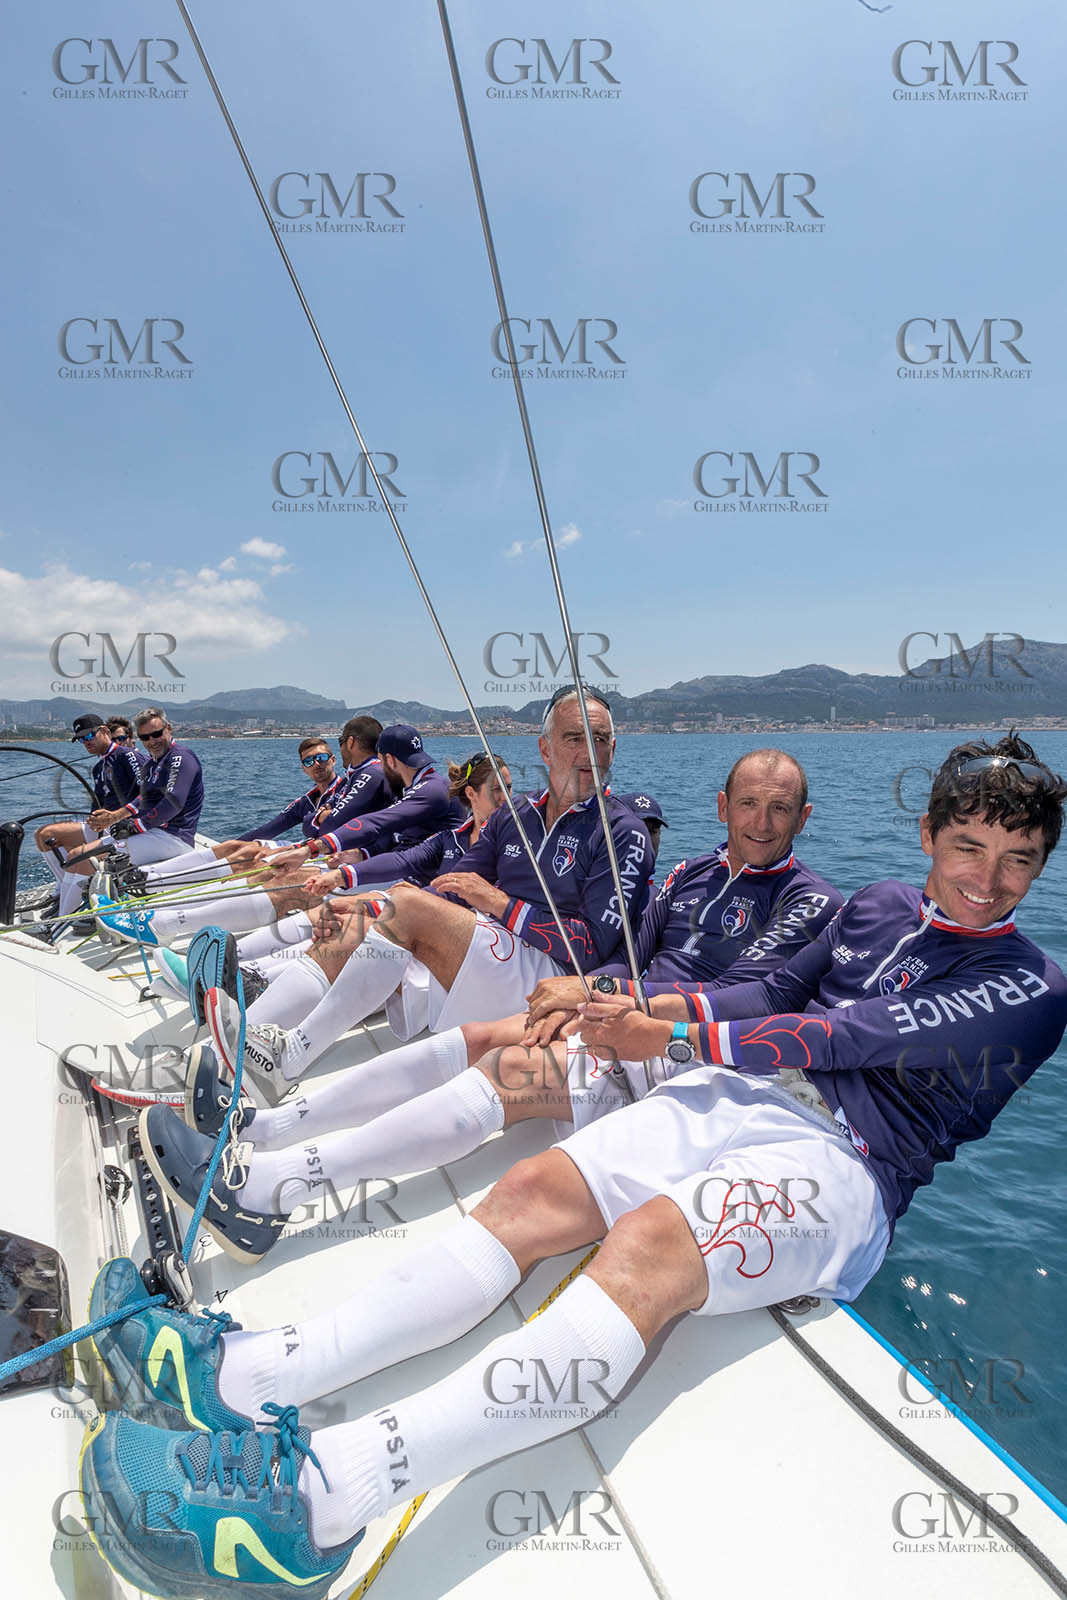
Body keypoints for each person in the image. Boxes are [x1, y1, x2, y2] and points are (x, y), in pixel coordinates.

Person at [82, 732, 1067, 1599]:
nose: (986, 878)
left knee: (647, 1245)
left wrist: (667, 1035)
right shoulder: (878, 905)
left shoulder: (1030, 983)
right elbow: (774, 990)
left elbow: (850, 1036)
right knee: (531, 1188)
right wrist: (639, 1011)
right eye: (968, 846)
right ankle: (254, 1374)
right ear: (929, 834)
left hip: (846, 1161)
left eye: (1017, 859)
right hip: (744, 1092)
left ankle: (319, 1500)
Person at [148, 753, 842, 1265]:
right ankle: (265, 1126)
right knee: (483, 1035)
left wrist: (600, 996)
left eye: (779, 809)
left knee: (508, 1069)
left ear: (804, 819)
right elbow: (629, 955)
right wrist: (588, 994)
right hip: (621, 1017)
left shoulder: (810, 901)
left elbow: (748, 998)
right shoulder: (691, 874)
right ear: (722, 807)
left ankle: (271, 1190)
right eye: (749, 804)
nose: (761, 823)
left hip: (684, 1050)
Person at [195, 689, 654, 1104]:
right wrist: (374, 904)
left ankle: (289, 1058)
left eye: (600, 739)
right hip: (496, 950)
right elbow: (454, 884)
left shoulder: (622, 832)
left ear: (613, 748)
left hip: (552, 978)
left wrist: (499, 903)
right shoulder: (517, 814)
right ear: (545, 747)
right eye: (574, 738)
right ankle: (227, 1047)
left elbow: (589, 947)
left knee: (406, 907)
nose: (588, 752)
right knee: (366, 917)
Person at [95, 724, 462, 946]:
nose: (317, 765)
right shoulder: (410, 786)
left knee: (286, 876)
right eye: (308, 761)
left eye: (323, 756)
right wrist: (350, 850)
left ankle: (164, 920)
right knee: (249, 852)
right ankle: (155, 903)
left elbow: (375, 826)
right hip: (377, 861)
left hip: (404, 878)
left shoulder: (410, 785)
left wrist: (316, 845)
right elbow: (388, 833)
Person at [33, 713, 146, 915]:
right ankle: (64, 890)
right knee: (44, 835)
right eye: (81, 739)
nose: (86, 742)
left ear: (104, 731)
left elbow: (149, 793)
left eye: (89, 736)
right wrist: (94, 818)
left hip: (124, 826)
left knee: (76, 856)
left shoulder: (127, 756)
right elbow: (98, 803)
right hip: (104, 826)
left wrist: (118, 816)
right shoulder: (99, 767)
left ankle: (71, 909)